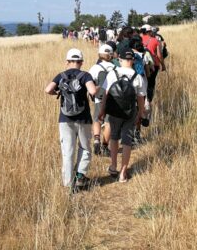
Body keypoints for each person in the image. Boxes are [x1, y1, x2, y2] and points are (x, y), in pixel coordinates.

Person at [45, 48, 97, 190]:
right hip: (83, 118)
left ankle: (68, 184)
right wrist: (97, 89)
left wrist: (57, 92)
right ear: (81, 62)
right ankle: (80, 176)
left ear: (67, 62)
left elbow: (48, 89)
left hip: (65, 119)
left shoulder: (60, 76)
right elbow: (92, 91)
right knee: (85, 147)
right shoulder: (85, 75)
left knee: (68, 151)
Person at [99, 48, 145, 183]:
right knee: (127, 141)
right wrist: (141, 113)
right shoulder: (138, 77)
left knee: (114, 138)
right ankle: (123, 173)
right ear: (133, 60)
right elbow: (140, 98)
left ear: (120, 59)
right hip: (130, 112)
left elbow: (105, 94)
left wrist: (102, 110)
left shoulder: (112, 74)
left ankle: (113, 166)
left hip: (114, 111)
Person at [89, 44, 116, 156]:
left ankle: (96, 140)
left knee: (97, 119)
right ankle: (105, 146)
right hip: (113, 98)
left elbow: (89, 83)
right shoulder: (115, 68)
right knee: (109, 122)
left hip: (99, 98)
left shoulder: (95, 68)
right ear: (111, 55)